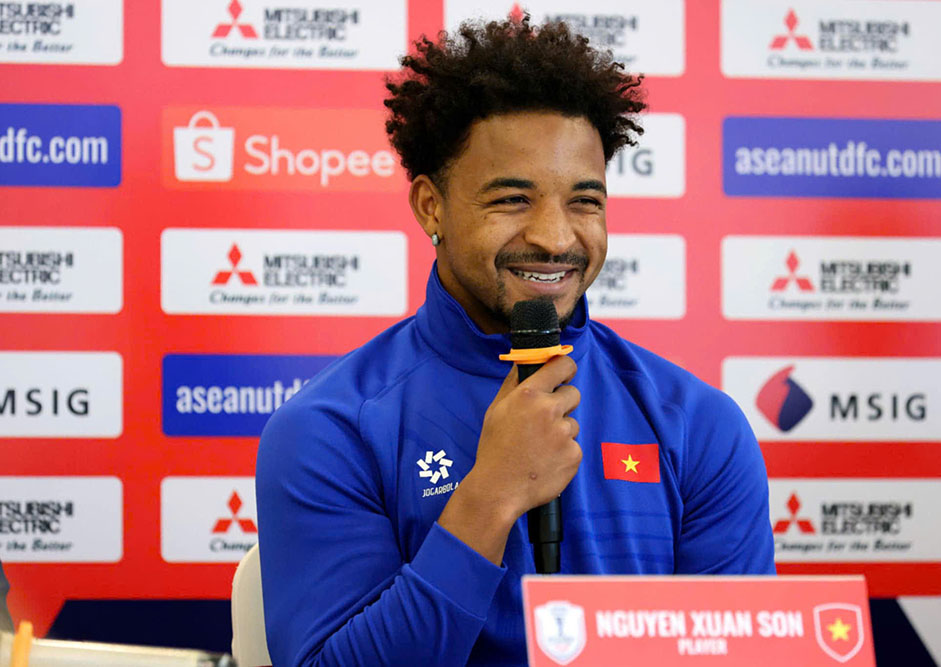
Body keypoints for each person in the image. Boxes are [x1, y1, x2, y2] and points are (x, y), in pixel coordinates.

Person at [256, 17, 774, 667]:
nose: (556, 237)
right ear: (431, 207)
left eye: (584, 201)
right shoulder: (331, 428)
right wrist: (490, 496)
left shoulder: (698, 425)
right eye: (512, 200)